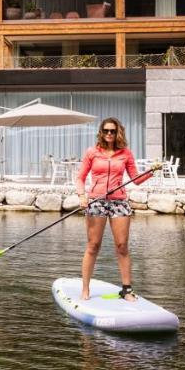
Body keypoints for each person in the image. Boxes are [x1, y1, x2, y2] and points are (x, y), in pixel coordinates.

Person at [75, 118, 160, 302]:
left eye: (113, 131)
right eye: (106, 130)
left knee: (122, 246)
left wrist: (151, 172)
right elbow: (80, 178)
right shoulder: (92, 152)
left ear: (118, 132)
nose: (109, 134)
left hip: (119, 202)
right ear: (101, 132)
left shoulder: (125, 154)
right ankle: (85, 289)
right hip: (96, 201)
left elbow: (135, 179)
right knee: (93, 246)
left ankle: (127, 290)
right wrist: (82, 195)